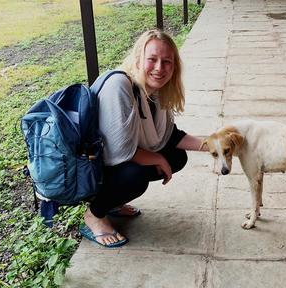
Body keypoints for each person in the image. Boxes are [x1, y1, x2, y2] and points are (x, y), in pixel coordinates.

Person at [79, 29, 208, 248]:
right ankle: (95, 215)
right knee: (134, 176)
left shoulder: (154, 90)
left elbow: (170, 136)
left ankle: (112, 202)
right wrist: (158, 159)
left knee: (177, 157)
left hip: (109, 161)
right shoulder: (119, 85)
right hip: (88, 166)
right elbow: (117, 152)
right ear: (139, 59)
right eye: (152, 59)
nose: (159, 68)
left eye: (167, 61)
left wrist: (214, 144)